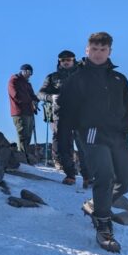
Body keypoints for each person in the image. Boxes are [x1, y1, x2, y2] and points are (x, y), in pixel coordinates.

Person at [58, 32, 128, 253]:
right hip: (91, 133)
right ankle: (103, 225)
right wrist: (63, 144)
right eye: (94, 49)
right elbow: (66, 114)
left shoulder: (119, 79)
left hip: (118, 135)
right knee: (104, 174)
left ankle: (95, 205)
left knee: (124, 180)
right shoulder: (76, 78)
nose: (98, 54)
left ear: (109, 52)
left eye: (103, 50)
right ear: (87, 50)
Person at [37, 50, 90, 186]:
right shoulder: (52, 77)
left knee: (84, 145)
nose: (66, 62)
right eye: (63, 60)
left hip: (81, 115)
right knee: (64, 146)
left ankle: (87, 177)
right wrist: (50, 97)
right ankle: (70, 175)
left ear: (73, 60)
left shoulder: (83, 73)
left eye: (69, 59)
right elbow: (40, 94)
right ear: (59, 62)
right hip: (61, 115)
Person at [8, 64, 39, 161]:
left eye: (31, 73)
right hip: (19, 112)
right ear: (23, 71)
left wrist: (36, 101)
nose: (30, 75)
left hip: (29, 112)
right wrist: (30, 101)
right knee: (23, 135)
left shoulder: (27, 84)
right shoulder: (13, 81)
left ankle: (25, 156)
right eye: (29, 72)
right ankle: (22, 158)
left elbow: (33, 96)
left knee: (28, 135)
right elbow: (16, 96)